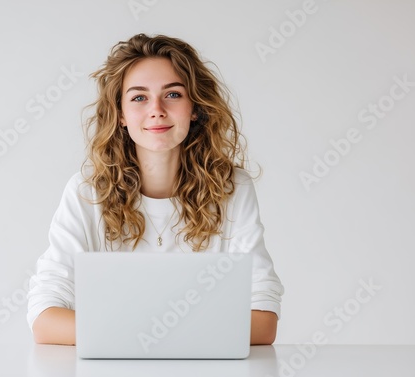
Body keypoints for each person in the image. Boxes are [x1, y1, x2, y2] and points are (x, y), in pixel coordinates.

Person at [27, 33, 284, 346]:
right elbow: (45, 318)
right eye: (138, 97)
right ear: (120, 114)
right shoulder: (87, 191)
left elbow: (262, 320)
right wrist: (170, 332)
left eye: (173, 94)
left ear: (195, 107)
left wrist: (130, 332)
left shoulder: (232, 188)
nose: (157, 109)